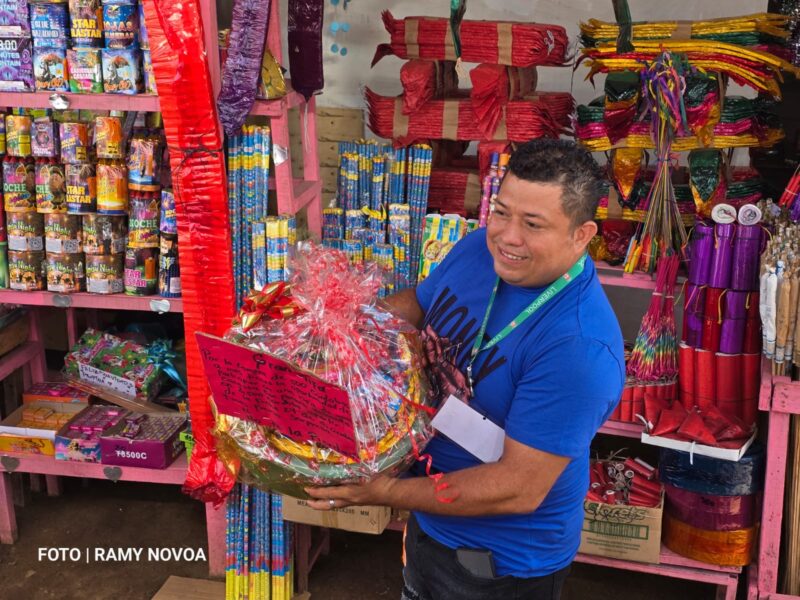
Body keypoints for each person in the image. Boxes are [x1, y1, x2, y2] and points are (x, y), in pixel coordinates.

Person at [306, 139, 625, 600]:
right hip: (430, 513)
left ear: (582, 235)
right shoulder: (480, 249)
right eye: (501, 212)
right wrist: (345, 331)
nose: (508, 237)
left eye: (533, 224)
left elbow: (518, 487)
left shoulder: (579, 348)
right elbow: (421, 303)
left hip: (499, 565)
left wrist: (384, 492)